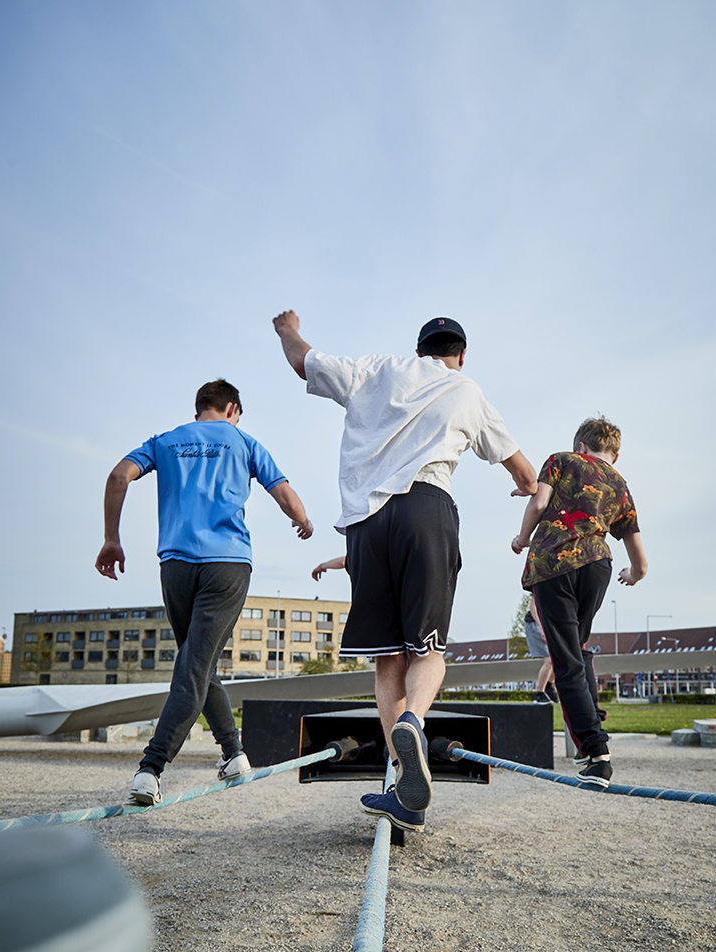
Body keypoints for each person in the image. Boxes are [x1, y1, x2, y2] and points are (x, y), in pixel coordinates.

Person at [274, 309, 537, 831]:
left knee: (386, 659)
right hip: (427, 510)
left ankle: (404, 792)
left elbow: (304, 362)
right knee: (429, 649)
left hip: (366, 525)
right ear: (460, 355)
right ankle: (414, 721)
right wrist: (528, 489)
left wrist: (286, 328)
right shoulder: (467, 390)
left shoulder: (379, 369)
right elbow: (525, 470)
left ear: (419, 351)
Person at [95, 378, 313, 805]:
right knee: (196, 666)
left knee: (196, 661)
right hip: (227, 564)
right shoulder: (244, 441)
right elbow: (284, 494)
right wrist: (303, 519)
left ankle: (233, 754)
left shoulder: (166, 441)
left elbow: (119, 475)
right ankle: (151, 768)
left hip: (176, 565)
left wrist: (111, 538)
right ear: (232, 408)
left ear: (200, 408)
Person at [512, 415, 647, 786]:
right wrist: (634, 574)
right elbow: (637, 550)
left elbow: (539, 504)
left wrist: (522, 538)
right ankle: (594, 743)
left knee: (565, 661)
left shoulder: (562, 460)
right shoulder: (618, 483)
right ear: (614, 456)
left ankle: (597, 754)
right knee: (577, 651)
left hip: (555, 564)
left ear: (581, 447)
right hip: (599, 566)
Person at [524, 605, 557, 705]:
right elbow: (533, 606)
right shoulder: (540, 588)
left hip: (549, 623)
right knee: (549, 661)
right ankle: (540, 694)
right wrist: (542, 627)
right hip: (536, 624)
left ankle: (548, 687)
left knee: (556, 659)